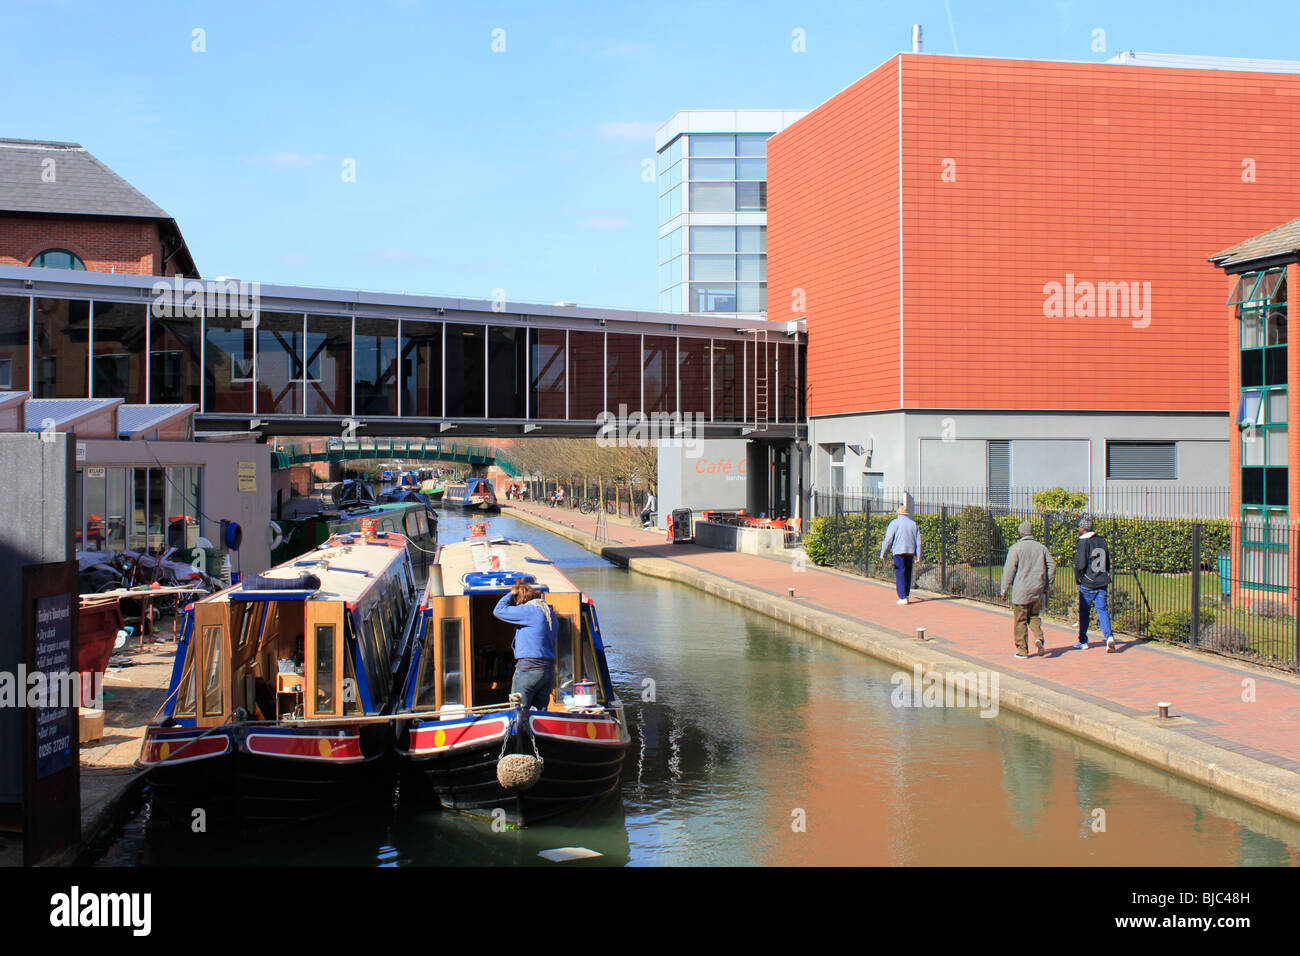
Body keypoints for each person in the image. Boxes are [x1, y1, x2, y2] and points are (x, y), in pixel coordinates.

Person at [493, 581, 558, 711]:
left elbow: (498, 610)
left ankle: (518, 731)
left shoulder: (529, 610)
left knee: (518, 712)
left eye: (517, 603)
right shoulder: (550, 614)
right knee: (540, 714)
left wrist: (511, 594)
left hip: (529, 670)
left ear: (521, 601)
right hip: (548, 672)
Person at [999, 520, 1057, 659]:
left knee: (1020, 620)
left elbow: (1009, 570)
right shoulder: (1041, 548)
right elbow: (1052, 565)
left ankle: (1022, 650)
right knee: (1034, 616)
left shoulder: (1016, 548)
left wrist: (1004, 589)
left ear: (1020, 533)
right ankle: (1038, 638)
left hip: (1021, 590)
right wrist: (1047, 583)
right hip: (1037, 589)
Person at [1074, 516, 1116, 652]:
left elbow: (1080, 564)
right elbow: (1107, 560)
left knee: (1084, 611)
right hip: (1102, 580)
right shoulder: (1101, 540)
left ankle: (1083, 641)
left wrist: (1078, 578)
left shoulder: (1083, 542)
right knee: (1103, 610)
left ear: (1083, 528)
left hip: (1088, 581)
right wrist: (1106, 573)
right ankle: (1109, 636)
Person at [879, 503, 922, 605]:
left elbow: (888, 539)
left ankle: (902, 596)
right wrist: (918, 555)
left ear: (898, 514)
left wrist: (883, 552)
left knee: (900, 573)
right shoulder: (913, 524)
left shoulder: (894, 523)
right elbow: (918, 541)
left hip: (898, 551)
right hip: (910, 551)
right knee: (908, 573)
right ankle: (906, 594)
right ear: (907, 514)